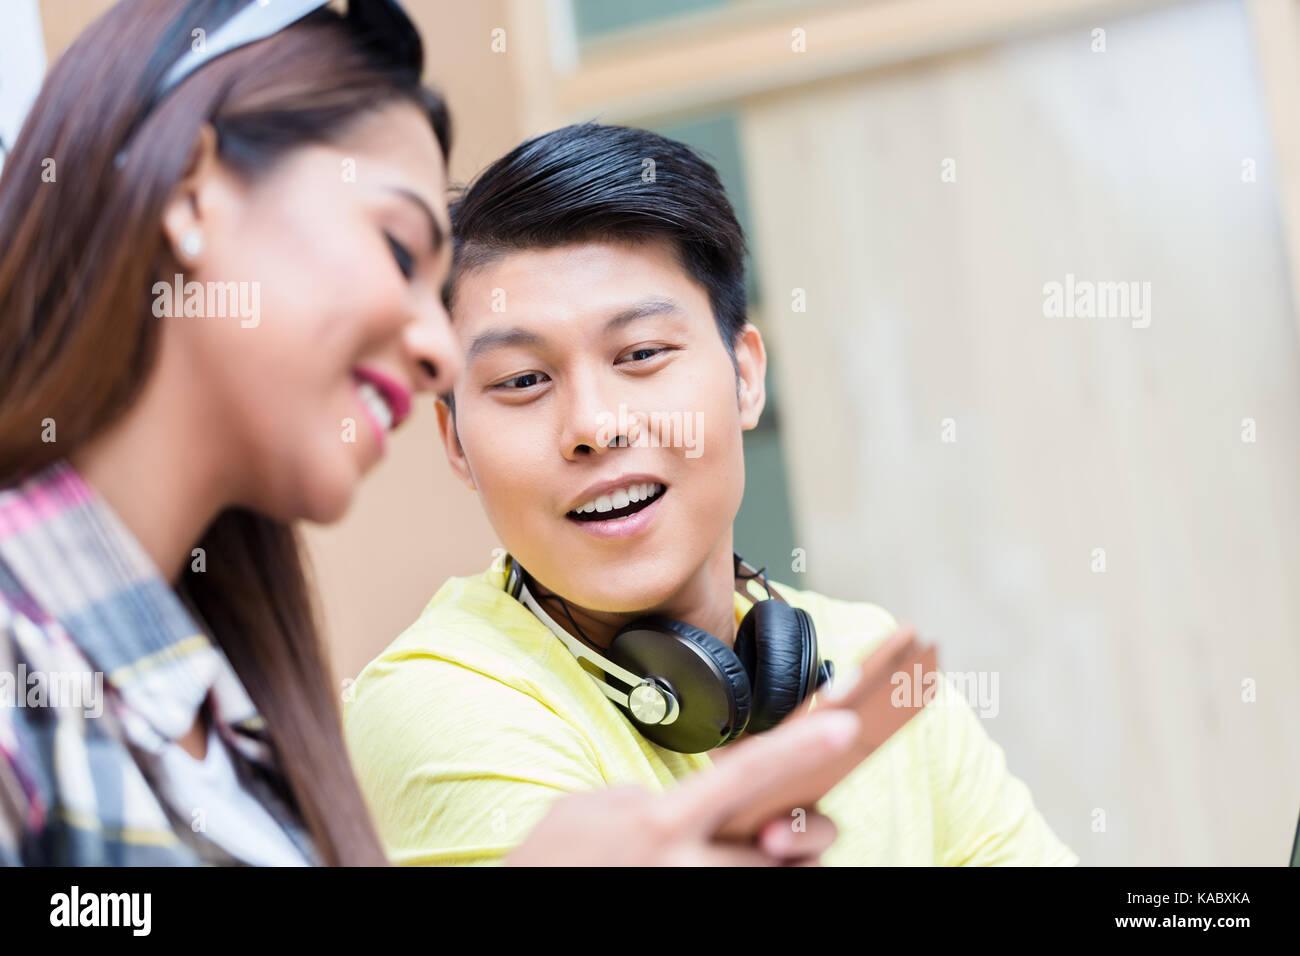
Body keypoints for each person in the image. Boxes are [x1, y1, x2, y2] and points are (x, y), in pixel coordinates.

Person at [0, 0, 859, 867]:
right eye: (400, 249)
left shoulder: (225, 724)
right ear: (192, 195)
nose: (430, 347)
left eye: (640, 352)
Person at [343, 122, 1081, 866]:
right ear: (455, 444)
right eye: (523, 381)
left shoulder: (863, 660)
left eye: (641, 354)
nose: (594, 427)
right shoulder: (437, 705)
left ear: (746, 377)